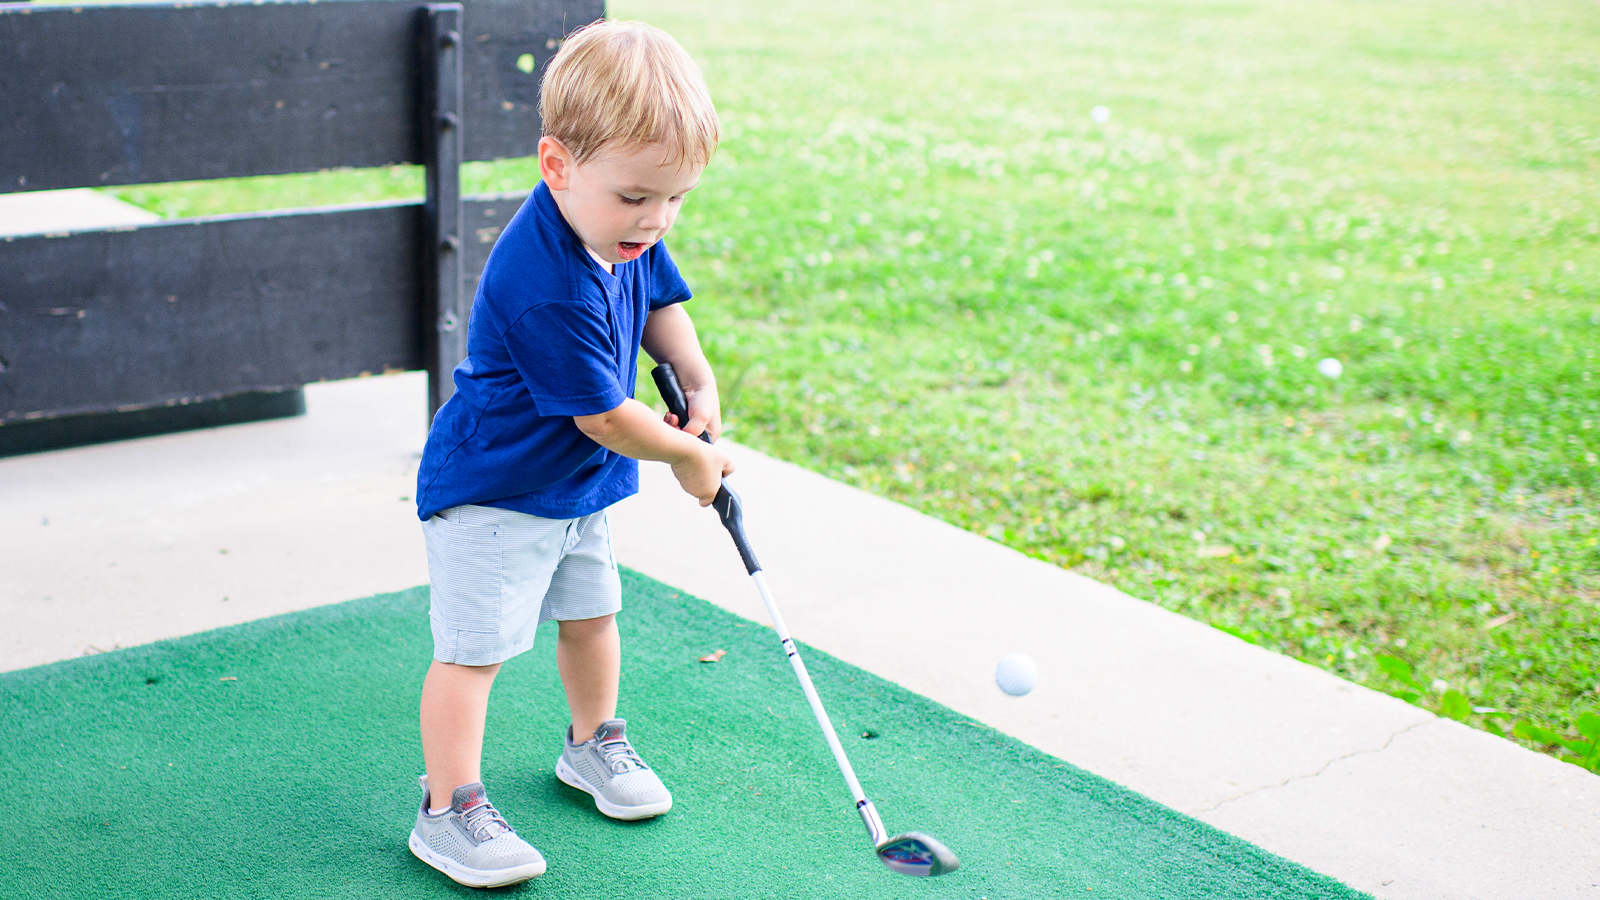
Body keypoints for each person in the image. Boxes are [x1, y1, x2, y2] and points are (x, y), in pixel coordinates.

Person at [405, 19, 733, 888]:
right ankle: (448, 809)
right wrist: (689, 459)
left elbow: (661, 300)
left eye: (676, 199)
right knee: (475, 650)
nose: (656, 219)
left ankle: (593, 745)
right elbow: (608, 419)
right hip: (493, 488)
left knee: (593, 616)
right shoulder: (543, 282)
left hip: (571, 489)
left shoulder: (623, 223)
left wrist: (695, 376)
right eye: (637, 198)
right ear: (558, 166)